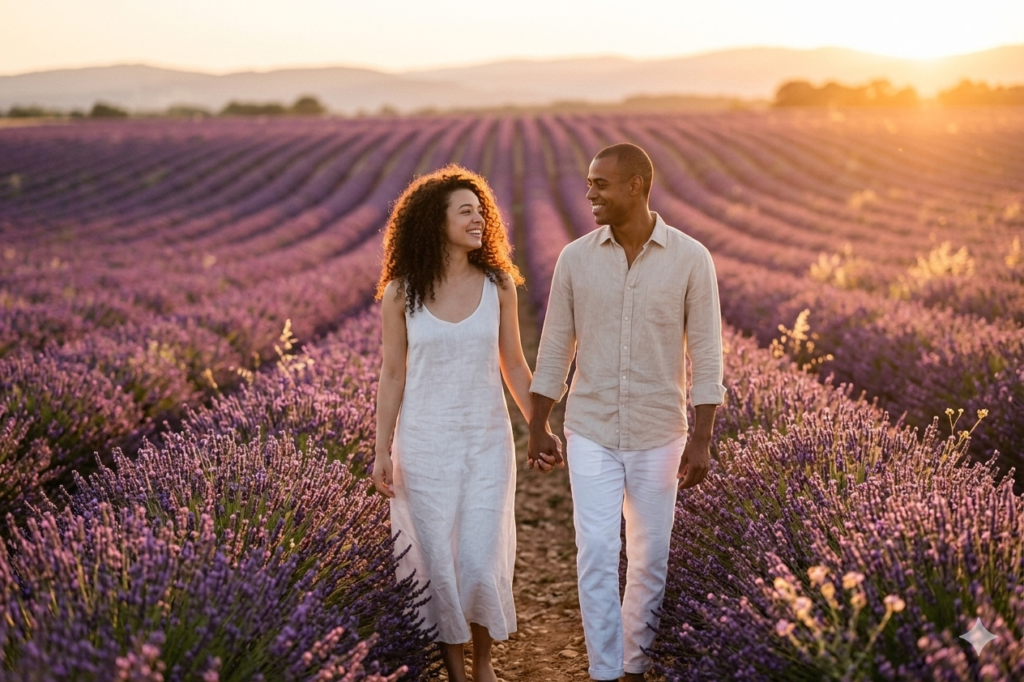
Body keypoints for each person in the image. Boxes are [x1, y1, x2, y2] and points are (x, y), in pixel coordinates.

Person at [528, 144, 725, 681]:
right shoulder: (575, 258)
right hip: (590, 426)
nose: (589, 193)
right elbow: (554, 348)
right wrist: (538, 424)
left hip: (661, 431)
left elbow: (707, 354)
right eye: (589, 183)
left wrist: (702, 437)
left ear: (636, 185)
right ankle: (603, 672)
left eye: (600, 184)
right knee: (594, 550)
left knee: (649, 557)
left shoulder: (690, 258)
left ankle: (633, 666)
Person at [372, 165, 537, 682]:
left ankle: (484, 666)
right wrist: (381, 451)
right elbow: (392, 373)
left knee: (480, 555)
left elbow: (513, 363)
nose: (479, 220)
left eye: (481, 211)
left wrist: (542, 426)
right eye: (465, 211)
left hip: (486, 442)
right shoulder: (402, 293)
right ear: (433, 221)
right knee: (438, 560)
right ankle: (455, 672)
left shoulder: (498, 284)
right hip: (423, 444)